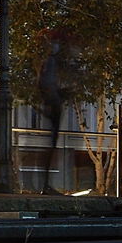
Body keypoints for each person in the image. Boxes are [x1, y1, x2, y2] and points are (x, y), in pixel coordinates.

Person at [37, 33, 70, 196]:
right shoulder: (51, 62)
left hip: (52, 104)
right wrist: (54, 100)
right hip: (53, 105)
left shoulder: (49, 63)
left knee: (51, 144)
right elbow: (47, 84)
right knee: (51, 144)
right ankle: (46, 185)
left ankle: (46, 185)